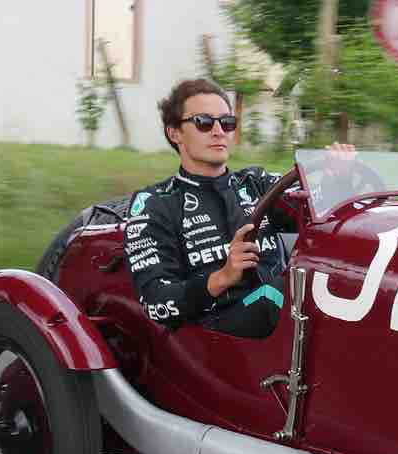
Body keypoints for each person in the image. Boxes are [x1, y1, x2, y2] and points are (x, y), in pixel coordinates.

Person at [124, 77, 351, 337]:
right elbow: (155, 302)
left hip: (279, 316)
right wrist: (222, 277)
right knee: (283, 294)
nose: (219, 131)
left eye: (227, 122)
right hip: (216, 329)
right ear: (174, 132)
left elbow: (316, 216)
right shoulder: (155, 204)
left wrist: (338, 178)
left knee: (334, 282)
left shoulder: (256, 182)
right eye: (204, 122)